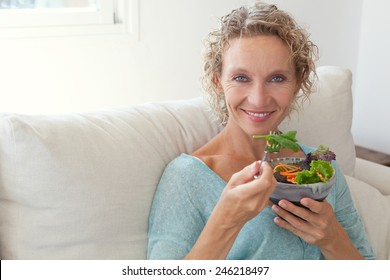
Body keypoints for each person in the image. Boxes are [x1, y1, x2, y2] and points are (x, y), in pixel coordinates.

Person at [147, 2, 375, 260]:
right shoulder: (186, 178)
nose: (258, 99)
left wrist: (332, 237)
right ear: (218, 81)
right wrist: (226, 221)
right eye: (241, 78)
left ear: (297, 82)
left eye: (277, 78)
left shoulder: (321, 170)